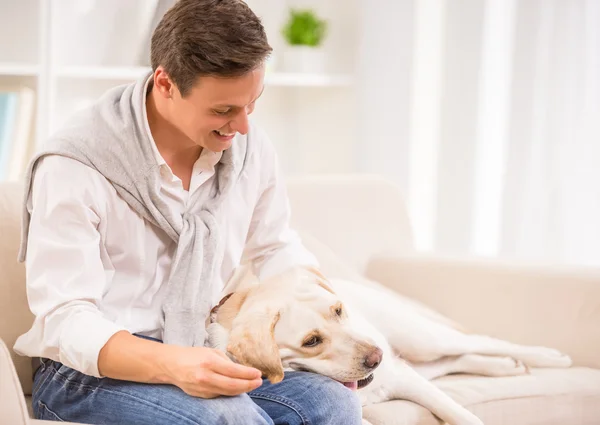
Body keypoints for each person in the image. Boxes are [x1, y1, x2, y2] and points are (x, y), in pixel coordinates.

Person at [12, 1, 363, 424]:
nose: (243, 127)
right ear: (165, 83)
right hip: (87, 372)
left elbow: (274, 247)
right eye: (223, 110)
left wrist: (323, 307)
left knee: (332, 403)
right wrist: (173, 364)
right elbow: (67, 320)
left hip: (205, 345)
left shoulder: (249, 149)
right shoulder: (76, 166)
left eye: (252, 104)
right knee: (228, 417)